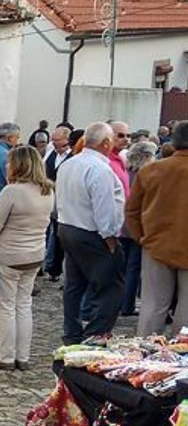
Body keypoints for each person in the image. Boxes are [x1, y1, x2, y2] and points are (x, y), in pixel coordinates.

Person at [0, 146, 54, 371]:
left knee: (6, 306)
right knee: (24, 305)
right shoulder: (48, 191)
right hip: (34, 254)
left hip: (9, 255)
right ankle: (23, 356)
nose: (7, 166)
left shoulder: (11, 191)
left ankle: (6, 356)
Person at [56, 122, 126, 345]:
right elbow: (104, 206)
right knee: (110, 286)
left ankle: (72, 333)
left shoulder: (69, 164)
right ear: (106, 143)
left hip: (68, 226)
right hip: (91, 231)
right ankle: (95, 334)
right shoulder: (100, 169)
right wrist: (110, 236)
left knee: (74, 285)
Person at [127, 123, 188, 336]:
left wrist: (141, 238)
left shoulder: (152, 170)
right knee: (187, 309)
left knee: (153, 306)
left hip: (156, 246)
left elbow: (132, 211)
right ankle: (183, 358)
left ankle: (144, 352)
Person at [119, 141, 158, 318]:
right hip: (138, 225)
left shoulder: (125, 171)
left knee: (121, 266)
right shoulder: (148, 175)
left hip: (121, 224)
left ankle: (120, 302)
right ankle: (127, 304)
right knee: (133, 268)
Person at [43, 126, 73, 281]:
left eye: (57, 140)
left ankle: (60, 269)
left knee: (61, 236)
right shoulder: (50, 154)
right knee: (50, 233)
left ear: (67, 139)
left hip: (65, 201)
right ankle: (52, 268)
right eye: (53, 140)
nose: (54, 143)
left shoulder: (73, 156)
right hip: (49, 199)